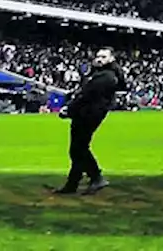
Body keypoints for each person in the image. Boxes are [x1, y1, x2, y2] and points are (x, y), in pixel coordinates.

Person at [52, 48, 126, 195]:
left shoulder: (106, 77)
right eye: (98, 56)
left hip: (88, 115)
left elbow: (86, 96)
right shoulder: (103, 75)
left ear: (111, 59)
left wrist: (69, 109)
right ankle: (73, 183)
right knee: (78, 149)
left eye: (103, 57)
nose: (99, 59)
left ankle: (95, 177)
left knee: (78, 149)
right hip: (88, 113)